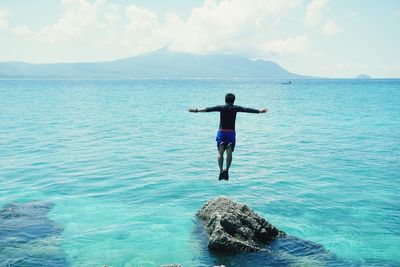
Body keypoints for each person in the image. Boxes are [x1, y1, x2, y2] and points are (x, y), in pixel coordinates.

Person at [189, 93, 267, 181]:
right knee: (229, 152)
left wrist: (196, 110)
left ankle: (221, 170)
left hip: (221, 132)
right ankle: (227, 170)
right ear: (234, 100)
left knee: (220, 152)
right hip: (231, 133)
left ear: (225, 100)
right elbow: (247, 109)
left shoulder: (221, 107)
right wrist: (259, 111)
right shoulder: (235, 108)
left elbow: (209, 109)